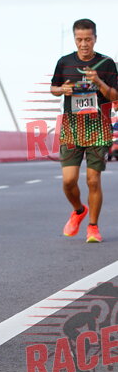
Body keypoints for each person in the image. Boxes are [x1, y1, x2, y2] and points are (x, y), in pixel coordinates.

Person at [50, 18, 118, 243]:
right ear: (75, 39)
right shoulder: (64, 62)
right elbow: (53, 88)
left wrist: (98, 82)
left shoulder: (107, 64)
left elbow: (115, 97)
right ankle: (79, 211)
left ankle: (93, 227)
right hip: (72, 128)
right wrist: (63, 89)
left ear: (95, 39)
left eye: (88, 39)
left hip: (99, 127)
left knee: (93, 180)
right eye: (79, 39)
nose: (84, 44)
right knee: (68, 181)